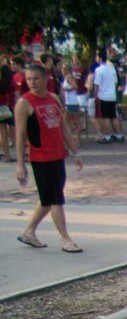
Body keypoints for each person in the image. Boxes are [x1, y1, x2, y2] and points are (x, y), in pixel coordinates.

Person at [14, 61, 84, 253]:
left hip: (57, 155)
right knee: (55, 199)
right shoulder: (24, 103)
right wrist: (21, 164)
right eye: (29, 79)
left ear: (46, 79)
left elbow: (63, 128)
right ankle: (65, 239)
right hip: (41, 157)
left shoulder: (53, 98)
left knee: (48, 198)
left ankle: (29, 231)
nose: (32, 82)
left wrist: (75, 151)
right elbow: (20, 136)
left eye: (36, 78)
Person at [92, 48, 122, 143]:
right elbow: (115, 82)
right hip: (112, 95)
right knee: (114, 115)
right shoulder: (112, 69)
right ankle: (118, 134)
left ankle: (108, 135)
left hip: (103, 96)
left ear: (100, 58)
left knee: (106, 117)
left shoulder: (99, 70)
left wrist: (95, 96)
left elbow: (97, 85)